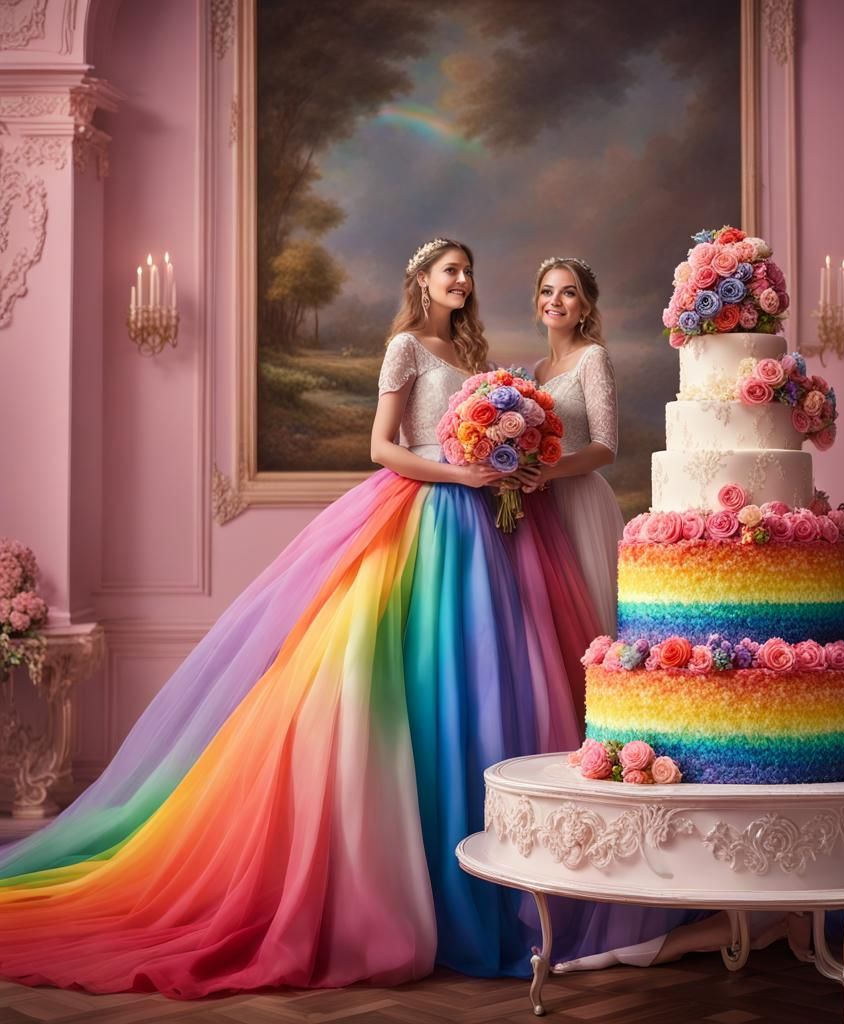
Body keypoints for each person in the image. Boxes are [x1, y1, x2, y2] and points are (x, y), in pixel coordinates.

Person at [0, 238, 599, 997]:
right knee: (397, 679)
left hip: (477, 526)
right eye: (449, 270)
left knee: (476, 679)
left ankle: (478, 876)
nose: (462, 280)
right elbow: (383, 448)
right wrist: (458, 471)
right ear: (420, 279)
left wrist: (499, 464)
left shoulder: (465, 347)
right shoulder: (406, 347)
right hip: (426, 518)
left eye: (468, 272)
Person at [520, 257, 624, 635]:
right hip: (538, 501)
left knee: (586, 614)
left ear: (585, 307)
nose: (555, 301)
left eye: (569, 293)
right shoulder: (536, 371)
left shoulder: (593, 358)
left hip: (579, 497)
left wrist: (550, 470)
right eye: (547, 292)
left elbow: (605, 447)